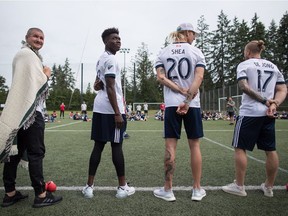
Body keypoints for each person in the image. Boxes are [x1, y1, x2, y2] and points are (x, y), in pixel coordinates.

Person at [0, 28, 62, 208]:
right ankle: (41, 195)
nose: (39, 39)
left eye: (42, 37)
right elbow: (37, 82)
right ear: (27, 38)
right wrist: (46, 74)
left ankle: (10, 194)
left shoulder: (26, 55)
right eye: (35, 36)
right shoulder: (27, 55)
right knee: (36, 153)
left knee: (16, 153)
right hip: (32, 114)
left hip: (21, 113)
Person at [222, 40, 287, 198]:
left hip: (250, 113)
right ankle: (269, 187)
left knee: (240, 147)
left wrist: (265, 101)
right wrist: (274, 103)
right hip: (268, 114)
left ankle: (239, 186)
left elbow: (244, 86)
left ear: (248, 52)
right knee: (270, 150)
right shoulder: (273, 66)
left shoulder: (245, 65)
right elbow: (282, 89)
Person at [153, 23, 206, 202]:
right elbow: (199, 77)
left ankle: (168, 190)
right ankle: (197, 189)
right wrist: (188, 100)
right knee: (195, 146)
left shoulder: (163, 52)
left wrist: (179, 91)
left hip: (171, 104)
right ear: (187, 33)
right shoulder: (196, 52)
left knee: (170, 146)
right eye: (193, 34)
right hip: (193, 104)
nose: (195, 37)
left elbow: (161, 77)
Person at [82, 27, 135, 199]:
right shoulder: (111, 59)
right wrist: (117, 113)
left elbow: (98, 83)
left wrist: (96, 85)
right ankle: (122, 187)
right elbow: (111, 87)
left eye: (119, 38)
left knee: (98, 146)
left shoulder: (101, 59)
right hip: (112, 109)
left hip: (99, 107)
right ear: (105, 42)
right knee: (116, 146)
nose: (118, 41)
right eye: (114, 38)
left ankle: (89, 187)